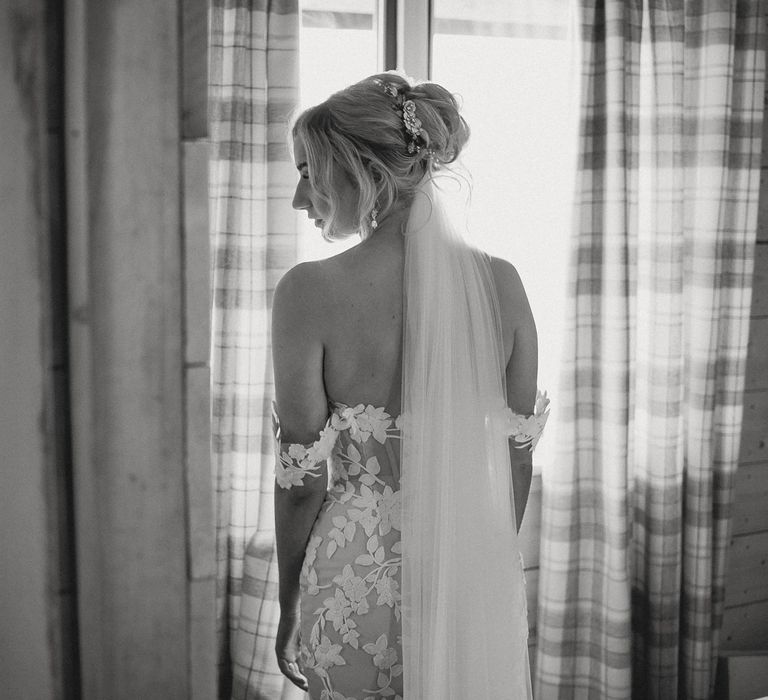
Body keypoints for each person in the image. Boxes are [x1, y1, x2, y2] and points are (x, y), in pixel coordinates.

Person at [271, 72, 549, 700]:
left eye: (309, 172)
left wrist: (290, 602)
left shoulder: (308, 293)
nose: (299, 198)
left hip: (351, 586)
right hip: (467, 582)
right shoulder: (502, 284)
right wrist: (490, 584)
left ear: (358, 167)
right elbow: (516, 463)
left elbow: (301, 485)